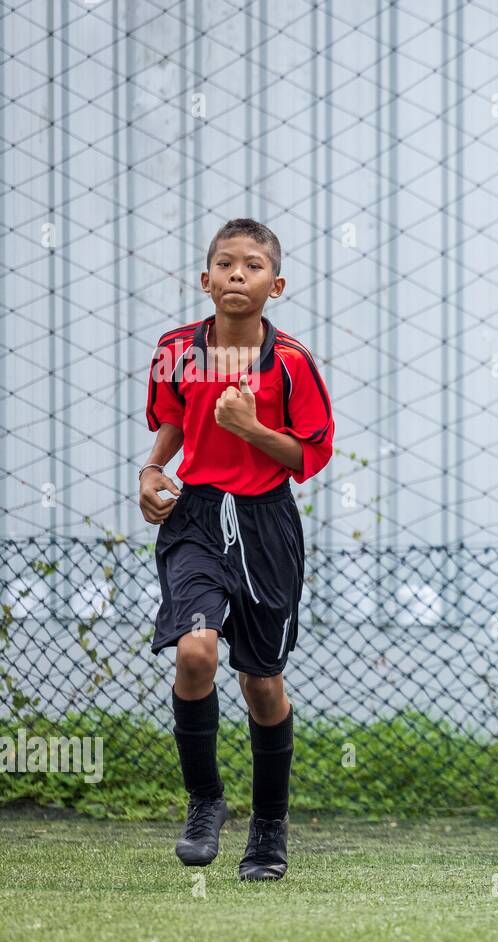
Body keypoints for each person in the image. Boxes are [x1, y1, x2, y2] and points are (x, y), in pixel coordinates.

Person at [139, 218, 334, 881]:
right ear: (206, 280)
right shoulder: (175, 351)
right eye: (224, 264)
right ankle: (204, 802)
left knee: (261, 681)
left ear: (274, 285)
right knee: (195, 652)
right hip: (195, 518)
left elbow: (308, 455)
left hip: (265, 526)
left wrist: (253, 428)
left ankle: (270, 827)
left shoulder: (290, 363)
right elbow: (173, 418)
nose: (236, 275)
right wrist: (151, 471)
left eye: (252, 266)